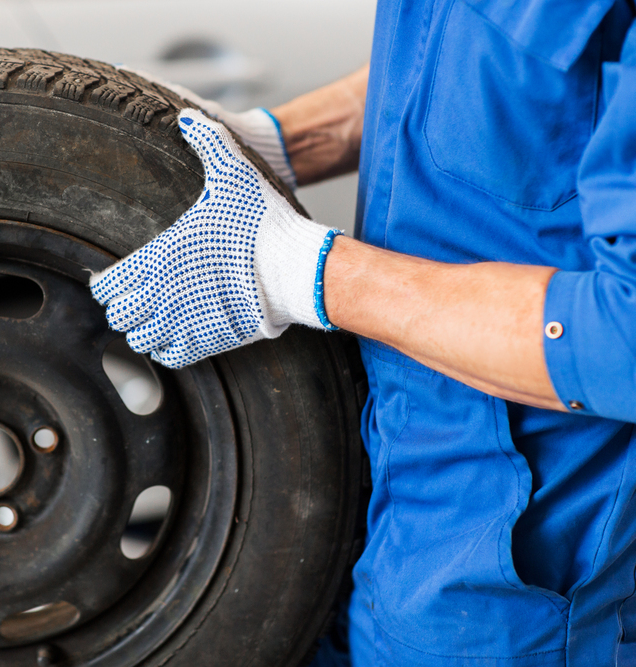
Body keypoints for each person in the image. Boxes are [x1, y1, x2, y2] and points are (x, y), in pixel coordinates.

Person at [91, 0, 636, 665]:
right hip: (374, 498)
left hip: (511, 592)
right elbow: (464, 52)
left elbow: (624, 337)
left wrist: (308, 270)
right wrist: (277, 142)